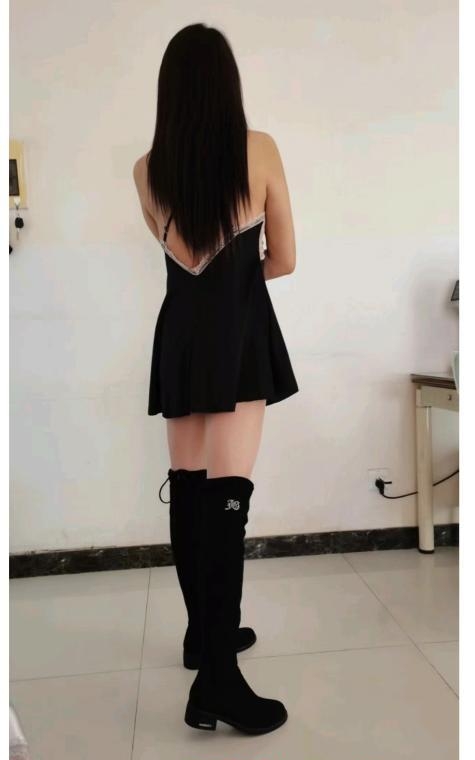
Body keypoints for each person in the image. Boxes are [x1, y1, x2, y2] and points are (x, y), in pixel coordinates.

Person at [133, 23, 299, 736]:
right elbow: (283, 259)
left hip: (180, 338)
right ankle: (219, 684)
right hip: (237, 338)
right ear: (226, 85)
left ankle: (204, 637)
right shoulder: (258, 149)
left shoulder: (146, 169)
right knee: (229, 495)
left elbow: (178, 255)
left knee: (190, 485)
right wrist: (240, 280)